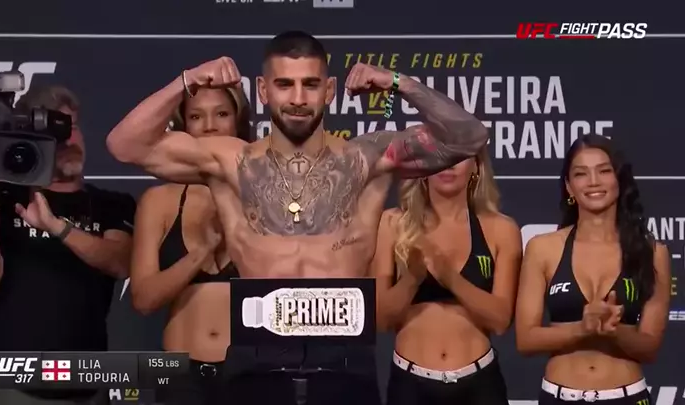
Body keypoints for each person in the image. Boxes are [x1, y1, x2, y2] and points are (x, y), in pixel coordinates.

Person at [105, 31, 489, 405]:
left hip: (344, 364)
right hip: (256, 363)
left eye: (310, 84)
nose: (298, 98)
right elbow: (125, 146)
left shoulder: (367, 159)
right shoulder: (231, 162)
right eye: (285, 84)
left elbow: (468, 138)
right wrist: (186, 81)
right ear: (263, 90)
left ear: (330, 90)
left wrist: (398, 83)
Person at [0, 86, 136, 405]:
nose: (69, 140)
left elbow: (121, 263)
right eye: (57, 132)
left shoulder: (110, 204)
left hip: (87, 386)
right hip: (11, 386)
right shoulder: (1, 204)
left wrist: (57, 227)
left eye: (74, 127)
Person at [515, 134, 670, 404]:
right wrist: (582, 328)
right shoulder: (542, 248)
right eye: (581, 174)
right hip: (560, 395)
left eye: (604, 171)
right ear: (569, 187)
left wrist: (614, 331)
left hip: (627, 395)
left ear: (619, 179)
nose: (593, 181)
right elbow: (526, 340)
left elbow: (650, 347)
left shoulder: (653, 253)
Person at [128, 83, 252, 405]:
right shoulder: (158, 201)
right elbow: (143, 300)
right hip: (178, 374)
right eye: (197, 116)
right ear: (184, 125)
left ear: (238, 120)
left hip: (250, 370)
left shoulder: (266, 194)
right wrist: (202, 252)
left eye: (221, 114)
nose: (209, 125)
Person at [371, 148, 521, 405]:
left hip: (479, 385)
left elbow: (500, 320)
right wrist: (412, 279)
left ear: (476, 166)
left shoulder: (501, 229)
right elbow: (381, 320)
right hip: (411, 385)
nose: (447, 164)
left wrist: (451, 279)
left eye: (458, 156)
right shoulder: (392, 223)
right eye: (438, 154)